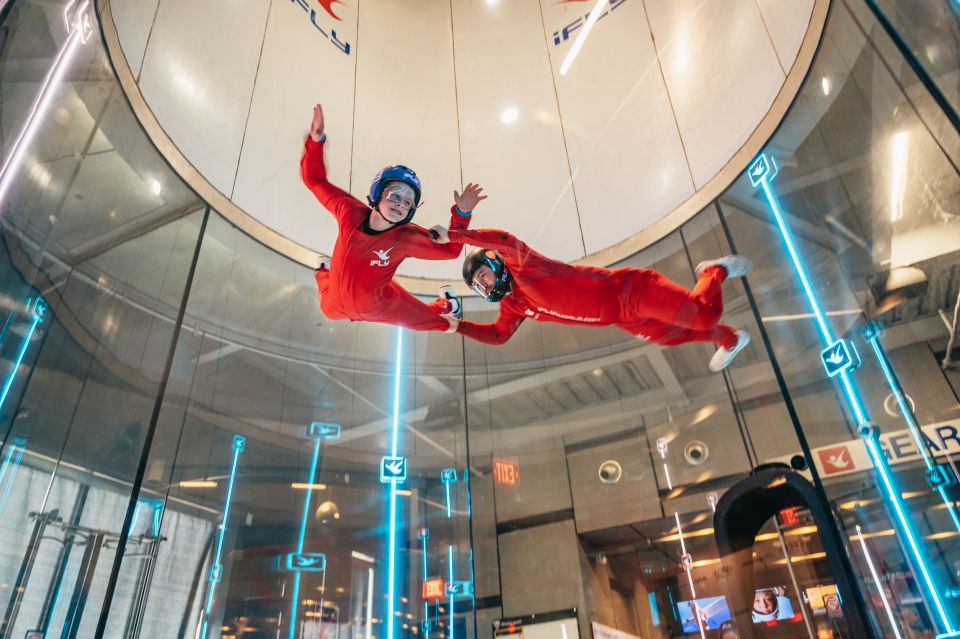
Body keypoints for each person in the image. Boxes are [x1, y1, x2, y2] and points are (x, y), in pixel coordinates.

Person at [435, 227, 751, 371]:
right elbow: (498, 334)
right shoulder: (513, 304)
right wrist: (456, 326)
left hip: (630, 291)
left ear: (495, 263)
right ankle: (731, 339)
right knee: (673, 336)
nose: (484, 284)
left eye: (484, 275)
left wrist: (457, 237)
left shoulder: (525, 267)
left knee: (701, 316)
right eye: (478, 285)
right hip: (624, 318)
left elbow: (504, 240)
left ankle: (713, 272)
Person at [301, 104, 485, 331]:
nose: (401, 204)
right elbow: (315, 181)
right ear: (377, 194)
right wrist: (315, 140)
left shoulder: (406, 238)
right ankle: (323, 271)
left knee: (430, 323)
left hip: (381, 305)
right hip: (335, 306)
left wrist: (462, 214)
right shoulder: (349, 212)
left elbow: (451, 251)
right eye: (396, 195)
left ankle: (448, 305)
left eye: (409, 202)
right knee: (325, 299)